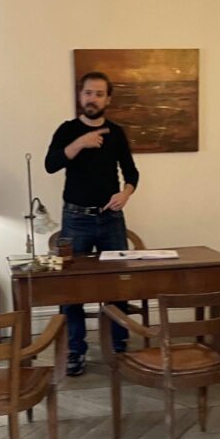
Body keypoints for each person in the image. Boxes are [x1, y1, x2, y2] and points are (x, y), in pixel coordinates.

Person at [45, 71, 140, 376]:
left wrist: (126, 193)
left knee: (118, 284)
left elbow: (131, 173)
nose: (93, 98)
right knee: (70, 288)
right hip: (76, 219)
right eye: (88, 92)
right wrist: (80, 143)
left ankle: (119, 347)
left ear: (107, 99)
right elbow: (50, 164)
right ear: (80, 95)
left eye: (99, 94)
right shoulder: (67, 130)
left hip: (111, 218)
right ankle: (75, 351)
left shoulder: (116, 133)